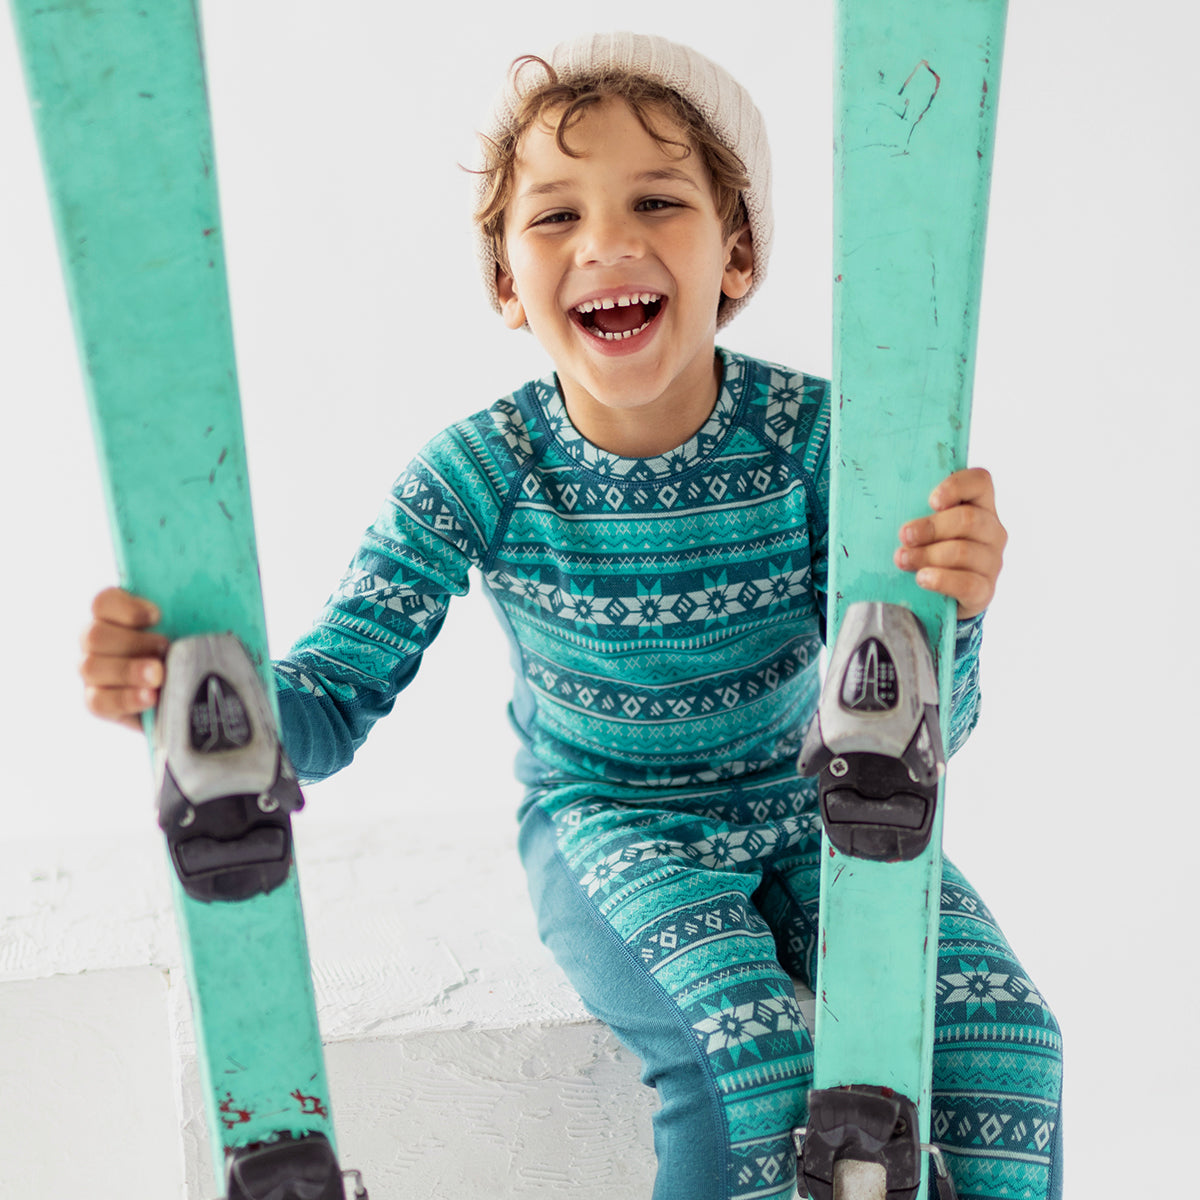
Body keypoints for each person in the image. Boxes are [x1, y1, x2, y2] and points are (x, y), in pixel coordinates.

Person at [78, 32, 1062, 1200]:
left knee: (1012, 1048)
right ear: (505, 284)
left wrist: (958, 604)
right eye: (554, 218)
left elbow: (927, 713)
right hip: (611, 825)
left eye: (659, 199)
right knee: (741, 1056)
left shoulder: (822, 445)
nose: (608, 241)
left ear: (736, 252)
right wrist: (199, 698)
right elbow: (332, 702)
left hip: (813, 809)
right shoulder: (479, 473)